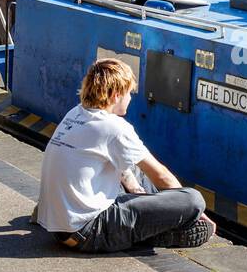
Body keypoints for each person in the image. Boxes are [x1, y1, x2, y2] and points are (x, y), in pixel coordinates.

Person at [34, 58, 215, 253]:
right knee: (193, 199)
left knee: (133, 168)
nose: (131, 98)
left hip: (59, 228)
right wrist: (193, 212)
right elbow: (161, 176)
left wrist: (134, 185)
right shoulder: (115, 127)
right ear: (116, 95)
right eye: (129, 93)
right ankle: (160, 230)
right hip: (89, 232)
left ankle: (152, 223)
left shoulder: (75, 113)